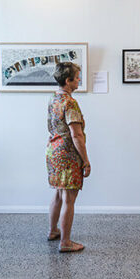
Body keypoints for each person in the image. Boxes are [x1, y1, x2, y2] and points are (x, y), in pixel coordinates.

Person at [46, 61, 90, 253]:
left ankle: (53, 231)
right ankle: (65, 242)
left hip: (53, 150)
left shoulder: (53, 98)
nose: (79, 80)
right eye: (77, 78)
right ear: (68, 80)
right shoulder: (70, 102)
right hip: (67, 153)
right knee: (69, 198)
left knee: (58, 193)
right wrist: (86, 161)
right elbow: (76, 135)